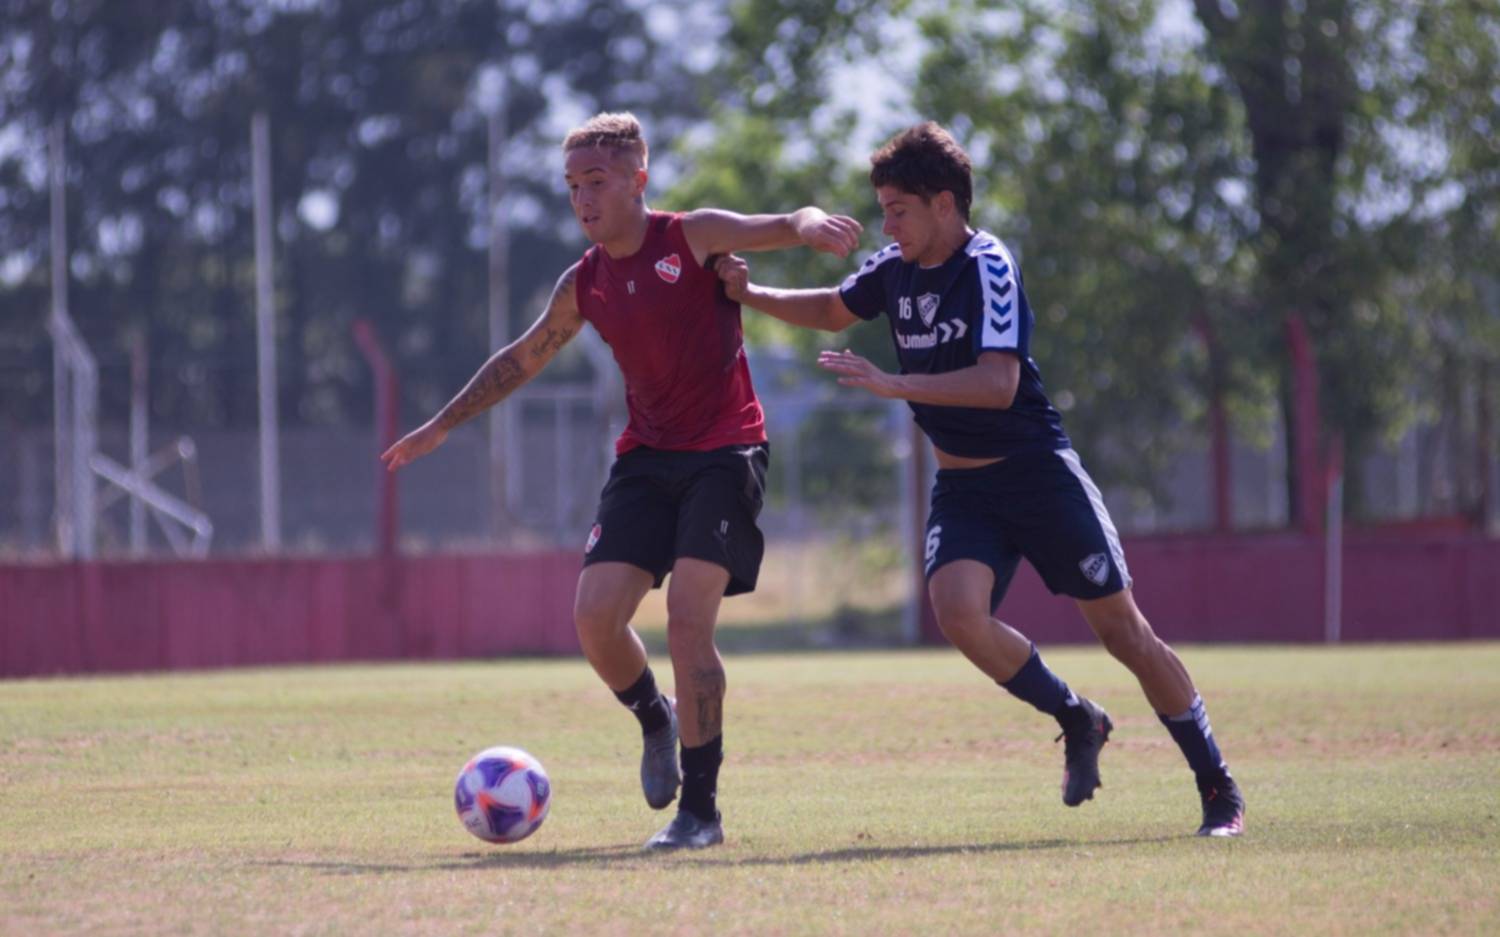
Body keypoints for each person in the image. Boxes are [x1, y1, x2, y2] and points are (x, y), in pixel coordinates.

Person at [714, 121, 1244, 837]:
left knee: (1125, 634)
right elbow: (833, 308)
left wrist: (896, 384)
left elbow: (998, 385)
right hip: (964, 488)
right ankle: (1077, 717)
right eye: (883, 210)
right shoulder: (895, 267)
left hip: (1038, 476)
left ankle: (1218, 786)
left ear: (944, 204)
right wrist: (749, 293)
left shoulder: (989, 265)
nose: (886, 225)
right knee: (958, 613)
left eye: (898, 210)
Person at [381, 112, 862, 850]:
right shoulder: (585, 283)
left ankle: (700, 812)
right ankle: (654, 716)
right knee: (595, 620)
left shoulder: (691, 236)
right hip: (646, 459)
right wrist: (442, 424)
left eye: (597, 182)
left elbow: (780, 224)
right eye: (572, 185)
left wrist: (811, 224)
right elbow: (522, 357)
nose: (583, 198)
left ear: (639, 180)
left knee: (688, 622)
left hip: (725, 452)